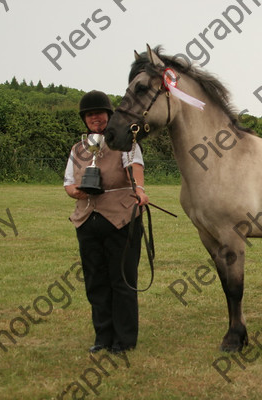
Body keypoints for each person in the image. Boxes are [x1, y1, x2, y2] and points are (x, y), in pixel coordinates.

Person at [64, 90, 148, 354]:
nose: (95, 118)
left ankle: (124, 340)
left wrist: (140, 188)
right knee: (96, 282)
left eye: (99, 113)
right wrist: (75, 191)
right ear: (84, 120)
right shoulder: (78, 149)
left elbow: (134, 168)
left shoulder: (124, 142)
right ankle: (103, 337)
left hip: (120, 219)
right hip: (87, 220)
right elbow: (68, 182)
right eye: (90, 115)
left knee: (121, 280)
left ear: (109, 115)